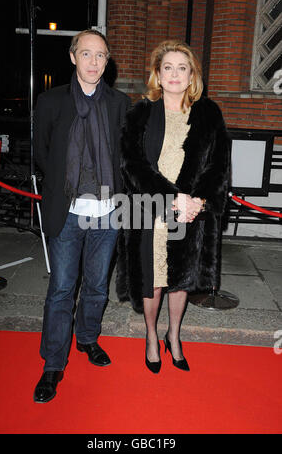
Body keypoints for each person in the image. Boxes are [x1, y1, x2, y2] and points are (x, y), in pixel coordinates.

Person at [116, 40, 230, 373]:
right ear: (157, 74)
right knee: (153, 278)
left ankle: (174, 335)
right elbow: (131, 164)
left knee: (180, 278)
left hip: (191, 210)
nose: (175, 74)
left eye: (183, 67)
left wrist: (199, 201)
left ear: (192, 74)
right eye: (168, 67)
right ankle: (152, 336)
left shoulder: (209, 113)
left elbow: (219, 165)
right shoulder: (141, 113)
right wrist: (172, 197)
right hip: (151, 208)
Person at [33, 29, 131, 402]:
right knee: (61, 290)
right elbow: (44, 154)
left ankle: (87, 339)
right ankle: (53, 364)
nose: (94, 62)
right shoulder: (51, 101)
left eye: (101, 56)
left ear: (108, 62)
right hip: (67, 211)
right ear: (73, 57)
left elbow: (126, 155)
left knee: (95, 286)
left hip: (107, 212)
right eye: (87, 54)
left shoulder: (121, 103)